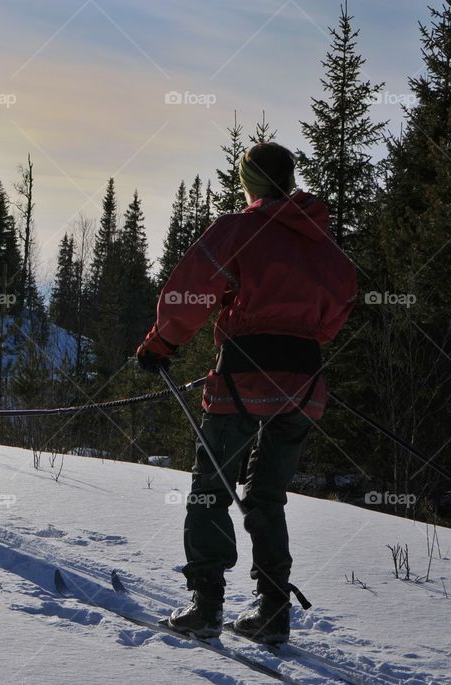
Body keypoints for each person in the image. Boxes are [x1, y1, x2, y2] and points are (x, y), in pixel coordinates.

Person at [135, 142, 356, 644]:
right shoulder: (323, 243)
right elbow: (344, 295)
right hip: (303, 382)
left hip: (242, 378)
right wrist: (302, 333)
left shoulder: (237, 229)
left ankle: (206, 606)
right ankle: (273, 611)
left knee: (211, 487)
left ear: (250, 183)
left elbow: (190, 290)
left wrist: (160, 344)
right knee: (267, 495)